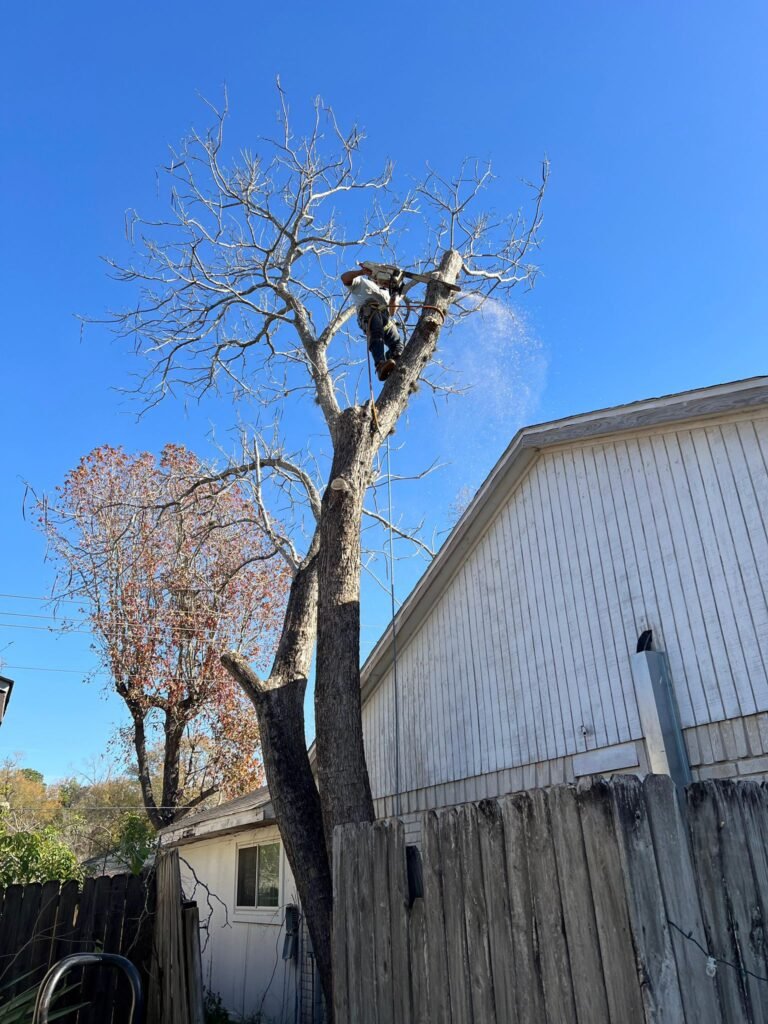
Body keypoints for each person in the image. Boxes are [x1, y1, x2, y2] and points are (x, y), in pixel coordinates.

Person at [341, 266, 403, 381]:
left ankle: (395, 359)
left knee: (397, 344)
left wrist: (394, 296)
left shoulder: (386, 293)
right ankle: (380, 365)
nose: (385, 283)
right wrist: (361, 272)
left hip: (385, 318)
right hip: (369, 312)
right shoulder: (362, 282)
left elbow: (392, 311)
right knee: (377, 332)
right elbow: (344, 278)